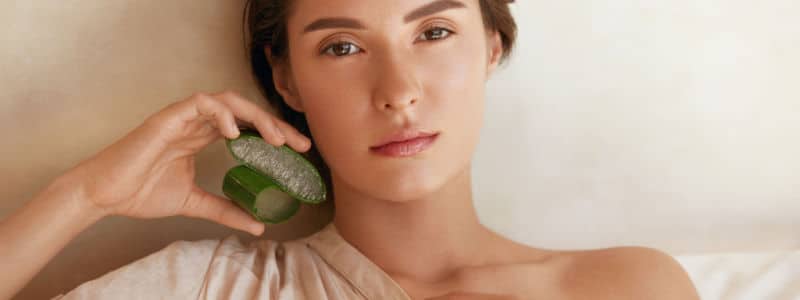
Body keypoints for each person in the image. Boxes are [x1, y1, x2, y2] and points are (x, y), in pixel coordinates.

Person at [0, 0, 701, 299]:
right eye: (342, 47)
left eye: (433, 32)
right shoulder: (210, 285)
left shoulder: (623, 285)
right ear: (286, 80)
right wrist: (85, 195)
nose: (398, 91)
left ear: (491, 45)